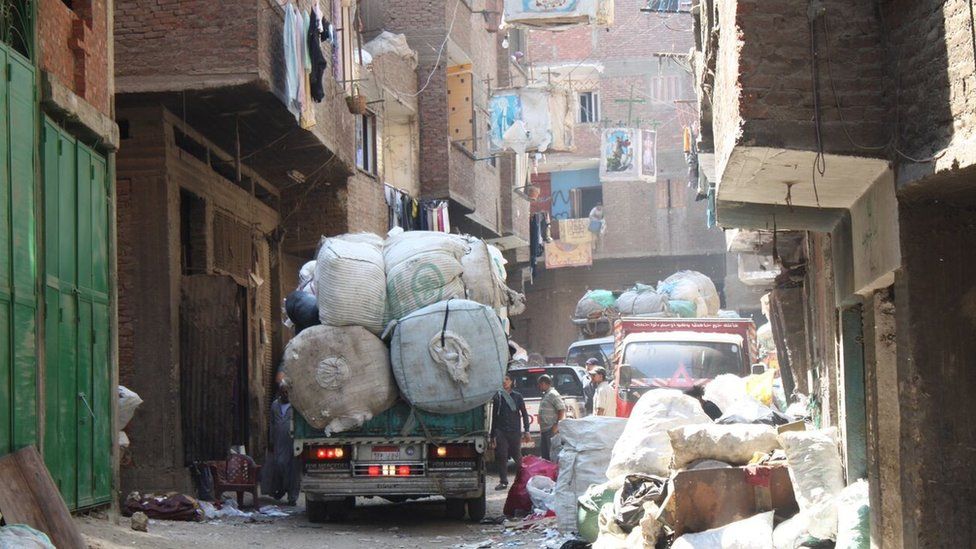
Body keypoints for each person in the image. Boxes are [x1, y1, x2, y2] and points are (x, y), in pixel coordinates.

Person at [263, 382, 301, 506]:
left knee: (294, 470)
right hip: (279, 441)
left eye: (287, 392)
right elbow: (272, 423)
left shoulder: (296, 405)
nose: (286, 394)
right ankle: (282, 488)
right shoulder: (275, 405)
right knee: (279, 465)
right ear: (279, 392)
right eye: (283, 392)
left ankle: (292, 496)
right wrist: (271, 440)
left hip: (293, 442)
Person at [490, 374, 531, 490]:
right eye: (503, 380)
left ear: (512, 382)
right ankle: (503, 481)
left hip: (514, 431)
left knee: (517, 456)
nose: (505, 382)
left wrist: (527, 430)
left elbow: (524, 414)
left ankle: (523, 480)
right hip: (501, 431)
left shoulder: (518, 396)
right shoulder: (498, 397)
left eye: (507, 379)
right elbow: (494, 417)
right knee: (501, 456)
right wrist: (492, 435)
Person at [536, 375, 566, 461]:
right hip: (545, 430)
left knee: (552, 455)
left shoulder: (553, 394)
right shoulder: (546, 394)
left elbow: (561, 409)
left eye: (540, 384)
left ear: (544, 383)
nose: (539, 387)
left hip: (551, 429)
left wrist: (556, 425)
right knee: (545, 456)